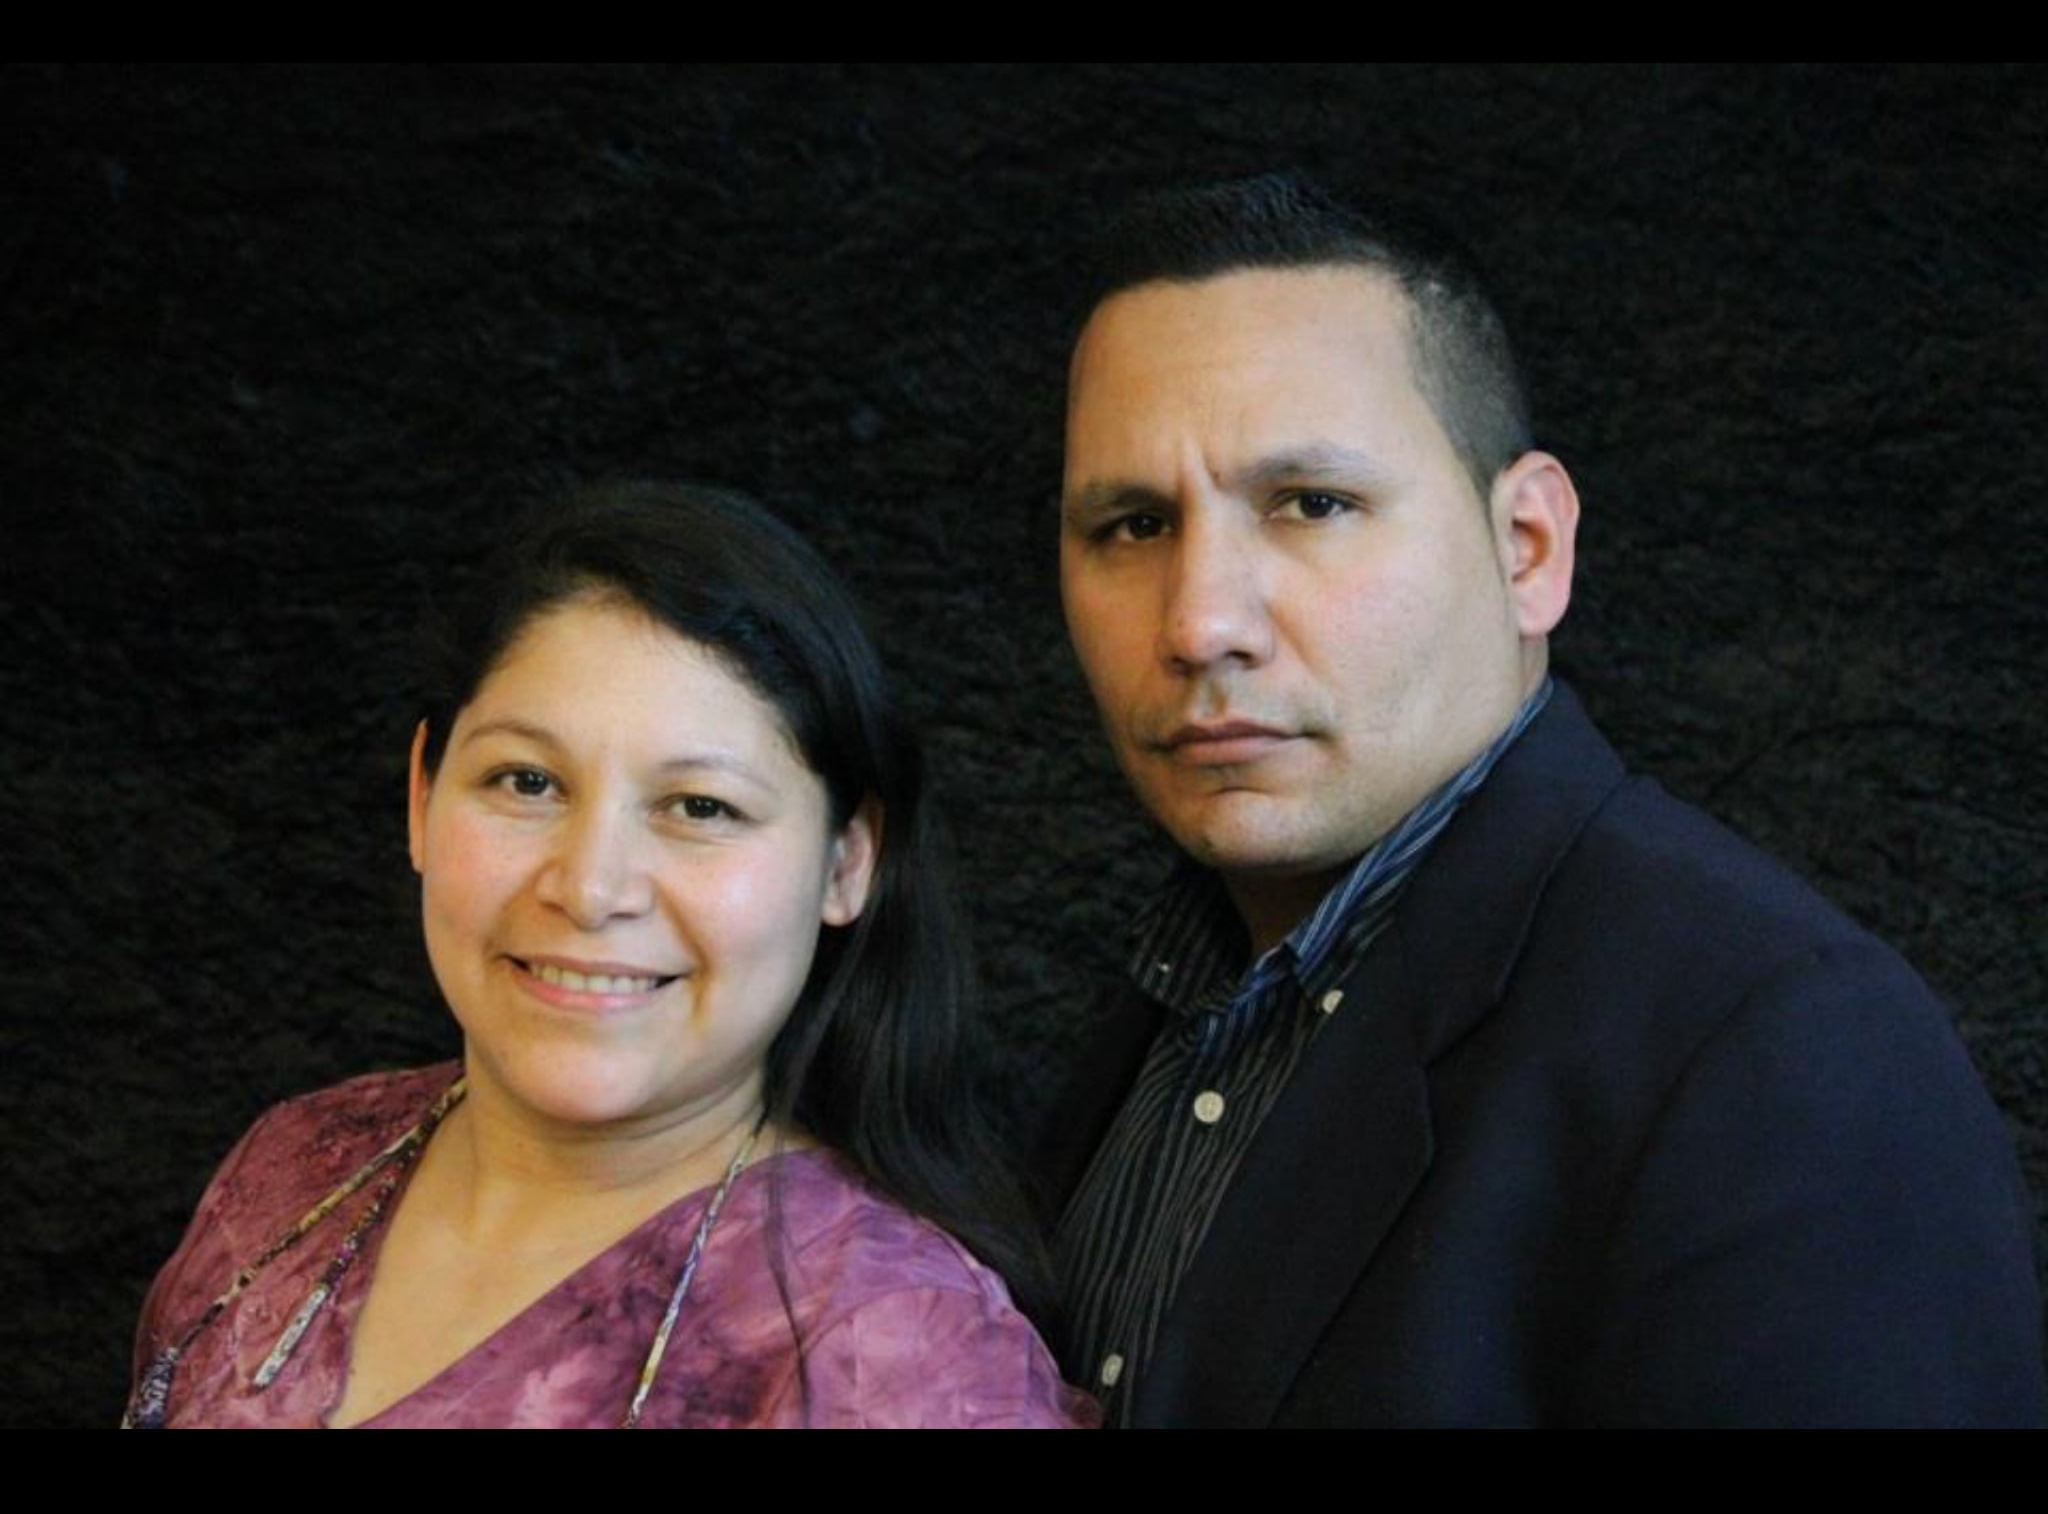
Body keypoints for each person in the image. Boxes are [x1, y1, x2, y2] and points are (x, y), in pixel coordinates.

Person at [1042, 174, 2045, 1428]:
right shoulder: (1174, 1005)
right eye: (1132, 525)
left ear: (1526, 547)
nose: (1199, 623)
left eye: (1312, 505)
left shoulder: (1785, 1052)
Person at [129, 484, 1095, 1428]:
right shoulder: (296, 1169)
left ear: (847, 864)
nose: (590, 889)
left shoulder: (898, 1353)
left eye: (700, 807)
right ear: (422, 796)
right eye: (527, 782)